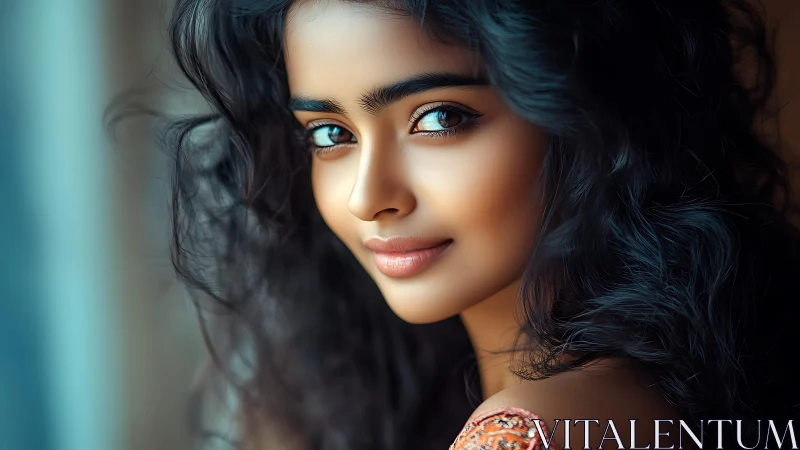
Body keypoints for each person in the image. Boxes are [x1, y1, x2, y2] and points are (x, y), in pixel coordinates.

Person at [111, 0, 800, 448]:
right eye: (328, 134)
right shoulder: (686, 382)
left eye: (439, 118)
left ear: (586, 115)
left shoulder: (526, 433)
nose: (367, 195)